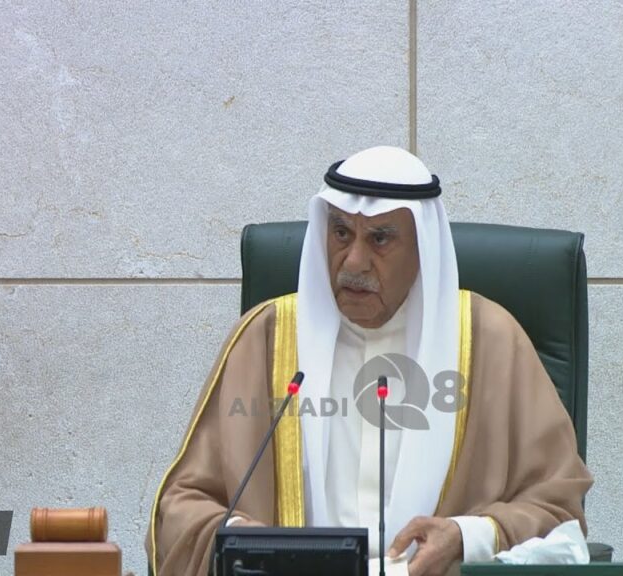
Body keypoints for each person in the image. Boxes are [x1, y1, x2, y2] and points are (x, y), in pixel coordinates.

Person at [146, 146, 593, 576]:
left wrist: (466, 537)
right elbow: (181, 507)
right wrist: (245, 540)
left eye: (380, 239)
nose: (354, 261)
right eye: (341, 233)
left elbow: (558, 510)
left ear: (423, 248)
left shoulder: (491, 341)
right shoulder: (265, 338)